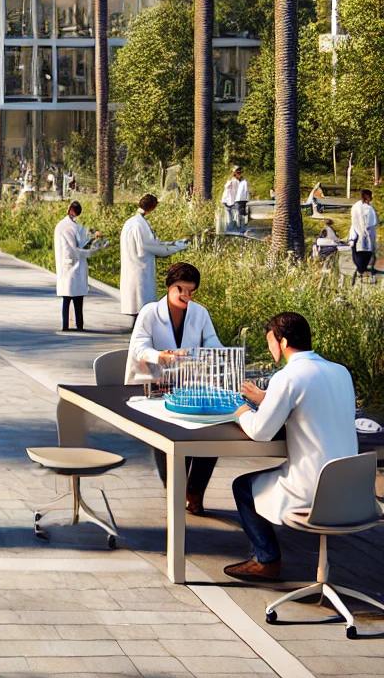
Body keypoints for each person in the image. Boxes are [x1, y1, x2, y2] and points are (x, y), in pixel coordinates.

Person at [225, 311, 358, 582]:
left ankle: (266, 561)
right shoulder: (340, 372)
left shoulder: (287, 377)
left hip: (312, 489)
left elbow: (262, 432)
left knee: (243, 486)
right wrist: (268, 399)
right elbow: (312, 405)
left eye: (270, 341)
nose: (269, 347)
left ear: (283, 342)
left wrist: (240, 412)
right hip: (351, 488)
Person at [128, 261, 221, 515]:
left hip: (192, 384)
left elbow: (212, 341)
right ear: (169, 286)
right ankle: (175, 490)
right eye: (180, 289)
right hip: (159, 385)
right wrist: (160, 356)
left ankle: (195, 490)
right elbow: (139, 346)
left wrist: (220, 355)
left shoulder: (199, 313)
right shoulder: (149, 312)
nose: (186, 296)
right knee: (168, 438)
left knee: (210, 436)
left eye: (191, 291)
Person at [119, 195, 187, 320]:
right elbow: (153, 246)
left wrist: (170, 244)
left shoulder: (130, 222)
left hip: (131, 265)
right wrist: (176, 247)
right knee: (142, 303)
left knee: (136, 302)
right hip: (141, 267)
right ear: (152, 207)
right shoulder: (141, 224)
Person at [53, 200, 99, 332]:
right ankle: (77, 325)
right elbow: (79, 246)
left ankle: (67, 325)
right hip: (72, 263)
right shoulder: (70, 227)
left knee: (69, 297)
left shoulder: (64, 225)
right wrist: (92, 240)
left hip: (68, 264)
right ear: (73, 212)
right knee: (75, 298)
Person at [349, 189, 378, 285]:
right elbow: (369, 222)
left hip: (363, 233)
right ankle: (360, 269)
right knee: (362, 252)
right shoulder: (363, 207)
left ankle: (361, 269)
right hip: (362, 233)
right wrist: (362, 231)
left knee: (363, 252)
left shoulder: (364, 207)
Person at [221, 165, 249, 231]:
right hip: (227, 201)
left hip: (234, 202)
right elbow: (226, 186)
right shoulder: (231, 181)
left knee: (236, 217)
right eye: (237, 173)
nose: (239, 174)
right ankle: (230, 231)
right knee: (229, 219)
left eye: (240, 173)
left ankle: (236, 230)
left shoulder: (241, 181)